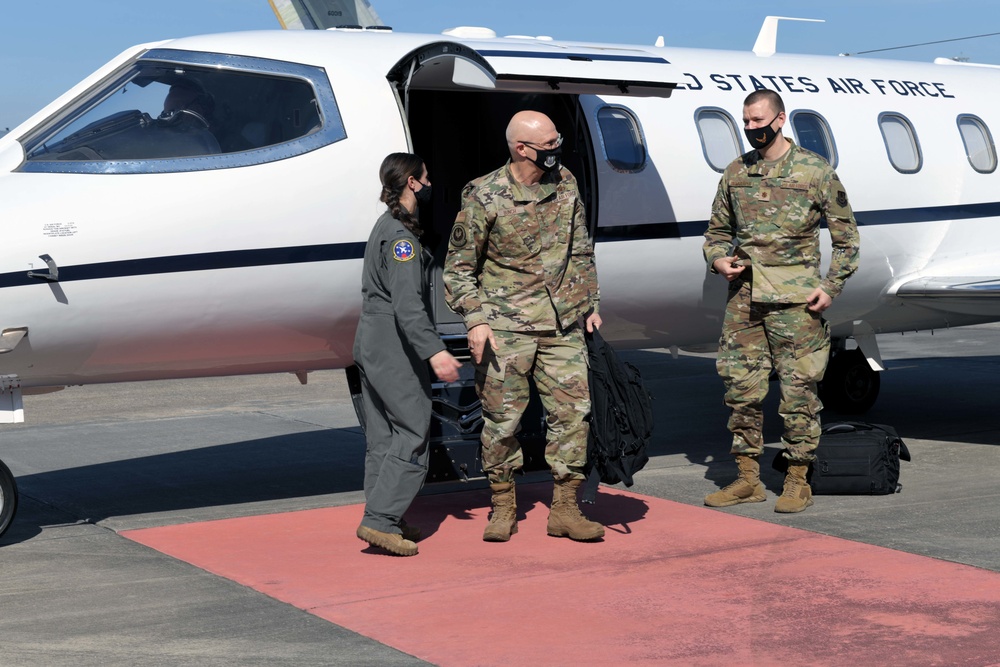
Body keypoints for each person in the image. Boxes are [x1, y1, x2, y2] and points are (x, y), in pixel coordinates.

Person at [443, 110, 604, 542]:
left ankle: (566, 509)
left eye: (557, 141)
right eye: (549, 144)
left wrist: (589, 301)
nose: (557, 150)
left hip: (561, 325)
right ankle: (503, 506)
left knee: (573, 416)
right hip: (506, 328)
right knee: (502, 421)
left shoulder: (565, 182)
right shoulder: (484, 195)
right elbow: (458, 270)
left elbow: (581, 248)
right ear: (521, 149)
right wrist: (475, 320)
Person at [702, 89, 861, 513]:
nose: (752, 128)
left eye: (758, 120)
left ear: (780, 119)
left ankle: (796, 480)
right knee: (741, 391)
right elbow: (716, 231)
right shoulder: (736, 172)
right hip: (745, 301)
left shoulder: (814, 170)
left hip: (796, 304)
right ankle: (748, 479)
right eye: (747, 121)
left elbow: (848, 240)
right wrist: (718, 258)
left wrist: (829, 287)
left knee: (798, 392)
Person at [353, 153, 462, 556]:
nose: (430, 184)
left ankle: (385, 518)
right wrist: (434, 352)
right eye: (426, 178)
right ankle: (380, 520)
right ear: (413, 182)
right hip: (393, 343)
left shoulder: (384, 226)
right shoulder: (401, 237)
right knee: (414, 430)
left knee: (383, 435)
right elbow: (408, 305)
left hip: (371, 340)